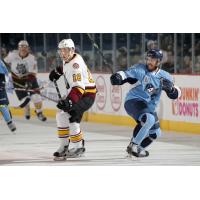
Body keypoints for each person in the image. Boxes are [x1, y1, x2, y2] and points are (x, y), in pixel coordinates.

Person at [110, 49, 181, 157]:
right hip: (134, 100)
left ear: (159, 62)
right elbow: (126, 74)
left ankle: (138, 148)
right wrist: (118, 77)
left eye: (153, 59)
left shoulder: (165, 76)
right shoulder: (140, 69)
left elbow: (176, 94)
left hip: (148, 107)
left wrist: (171, 89)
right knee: (149, 119)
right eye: (148, 58)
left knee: (156, 133)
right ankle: (133, 145)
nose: (149, 61)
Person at [49, 39, 97, 160]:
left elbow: (79, 87)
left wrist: (69, 101)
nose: (62, 53)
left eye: (65, 50)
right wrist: (58, 70)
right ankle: (66, 145)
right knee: (63, 116)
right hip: (81, 94)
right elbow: (66, 67)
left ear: (72, 50)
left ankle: (78, 146)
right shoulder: (71, 58)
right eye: (61, 50)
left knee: (69, 116)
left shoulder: (75, 65)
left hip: (86, 95)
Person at [4, 40, 47, 121]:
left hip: (29, 78)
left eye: (25, 47)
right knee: (25, 98)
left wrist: (29, 83)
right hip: (17, 79)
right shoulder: (12, 55)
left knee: (36, 97)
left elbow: (33, 73)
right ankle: (27, 109)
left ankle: (39, 113)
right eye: (21, 47)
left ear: (28, 48)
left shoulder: (32, 58)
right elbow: (3, 62)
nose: (23, 49)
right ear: (18, 48)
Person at [0, 59, 16, 132]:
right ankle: (9, 120)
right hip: (2, 79)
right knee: (3, 105)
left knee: (2, 105)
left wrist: (3, 83)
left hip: (1, 78)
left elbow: (5, 71)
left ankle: (10, 122)